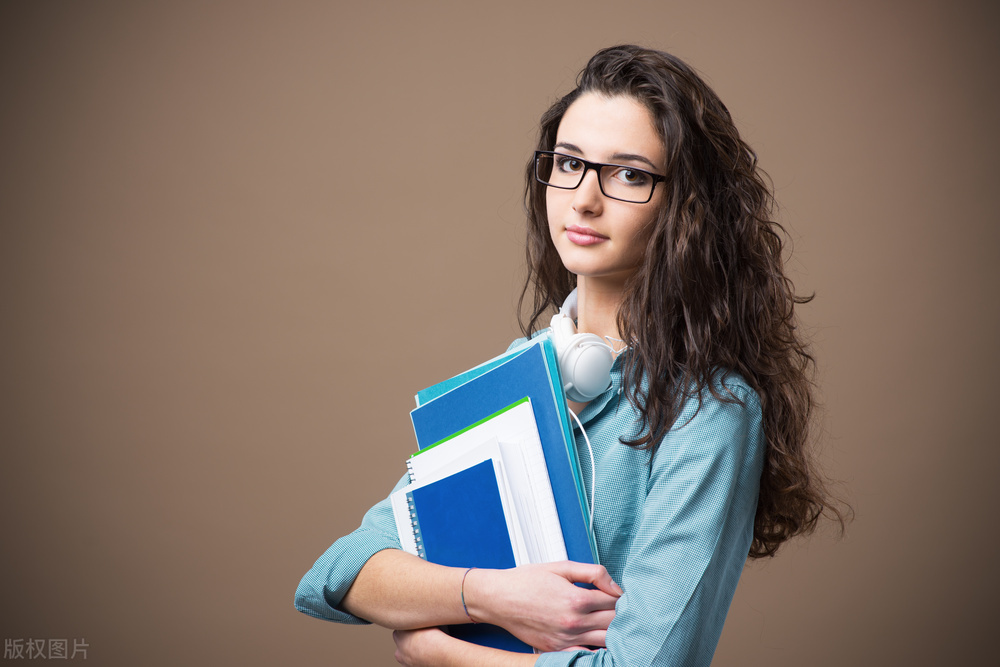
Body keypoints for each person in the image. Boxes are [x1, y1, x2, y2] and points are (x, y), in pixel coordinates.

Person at [295, 44, 845, 666]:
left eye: (630, 174)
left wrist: (442, 653)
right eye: (569, 163)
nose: (583, 199)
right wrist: (493, 597)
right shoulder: (526, 371)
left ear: (685, 209)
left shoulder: (710, 412)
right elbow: (339, 574)